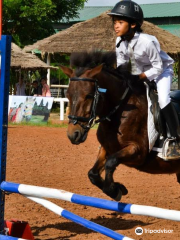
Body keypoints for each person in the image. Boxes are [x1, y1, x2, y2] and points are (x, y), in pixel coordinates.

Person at [107, 0, 180, 160]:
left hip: (162, 72)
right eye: (115, 22)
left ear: (133, 24)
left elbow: (157, 67)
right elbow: (122, 67)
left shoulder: (147, 41)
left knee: (162, 99)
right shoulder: (119, 42)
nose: (116, 26)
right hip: (139, 73)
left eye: (120, 22)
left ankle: (175, 139)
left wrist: (139, 77)